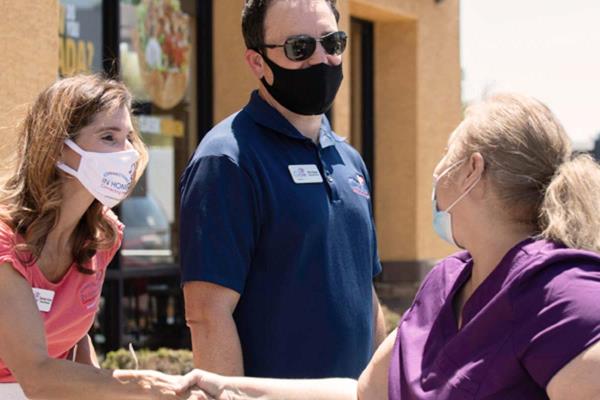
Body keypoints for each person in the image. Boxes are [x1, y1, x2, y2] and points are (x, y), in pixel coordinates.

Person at [177, 93, 600, 399]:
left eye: (447, 152)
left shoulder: (564, 296)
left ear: (472, 171)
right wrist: (228, 386)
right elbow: (362, 393)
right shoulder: (445, 281)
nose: (437, 169)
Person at [179, 0, 385, 380]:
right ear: (257, 63)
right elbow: (207, 315)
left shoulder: (349, 160)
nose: (321, 59)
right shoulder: (227, 159)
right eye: (299, 48)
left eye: (332, 43)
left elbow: (364, 296)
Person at [0, 75, 190, 399]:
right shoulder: (6, 241)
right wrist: (146, 386)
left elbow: (73, 338)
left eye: (128, 137)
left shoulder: (103, 234)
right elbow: (37, 375)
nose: (127, 152)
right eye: (109, 137)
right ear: (57, 146)